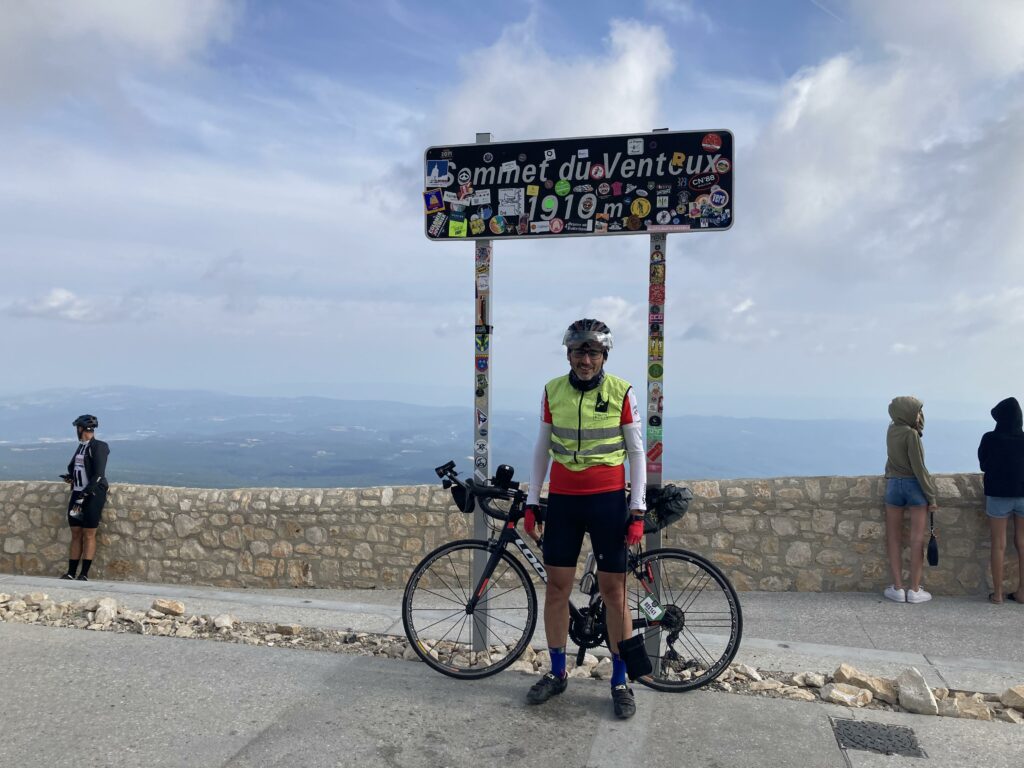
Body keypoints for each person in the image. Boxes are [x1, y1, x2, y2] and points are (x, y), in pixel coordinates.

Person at [522, 319, 647, 719]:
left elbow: (637, 453)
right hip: (563, 500)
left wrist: (638, 509)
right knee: (557, 589)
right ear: (569, 354)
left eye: (593, 352)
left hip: (608, 501)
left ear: (604, 355)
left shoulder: (621, 391)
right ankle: (558, 673)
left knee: (614, 592)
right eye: (579, 351)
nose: (586, 359)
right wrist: (531, 500)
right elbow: (542, 450)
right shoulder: (552, 391)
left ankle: (620, 681)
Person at [882, 396, 937, 603]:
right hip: (913, 486)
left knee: (893, 539)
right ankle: (914, 590)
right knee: (916, 540)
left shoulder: (891, 430)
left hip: (894, 485)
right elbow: (919, 468)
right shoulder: (911, 435)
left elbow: (891, 459)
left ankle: (897, 588)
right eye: (917, 411)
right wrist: (931, 496)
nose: (919, 415)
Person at [977, 397, 1024, 604]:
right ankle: (1022, 592)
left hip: (997, 495)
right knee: (1022, 543)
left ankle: (997, 594)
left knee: (999, 544)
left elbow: (984, 465)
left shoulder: (989, 439)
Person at [60, 414, 110, 581]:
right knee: (76, 532)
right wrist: (71, 478)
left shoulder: (99, 446)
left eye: (77, 428)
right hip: (77, 493)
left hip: (92, 495)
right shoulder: (81, 447)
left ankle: (84, 574)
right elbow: (79, 469)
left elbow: (98, 474)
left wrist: (85, 494)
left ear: (81, 428)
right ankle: (70, 572)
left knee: (89, 533)